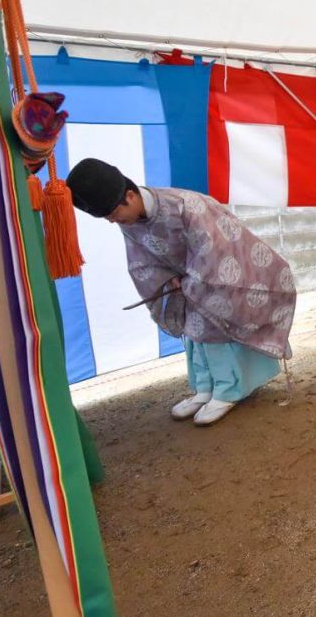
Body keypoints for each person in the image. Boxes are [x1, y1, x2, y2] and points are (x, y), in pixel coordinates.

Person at [66, 158, 295, 426]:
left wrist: (193, 280)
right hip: (186, 282)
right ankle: (204, 388)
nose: (112, 221)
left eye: (113, 214)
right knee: (194, 330)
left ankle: (229, 389)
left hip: (219, 276)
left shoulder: (186, 206)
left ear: (130, 195)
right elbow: (142, 260)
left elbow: (217, 249)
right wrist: (168, 280)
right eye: (107, 217)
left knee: (214, 326)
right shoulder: (128, 222)